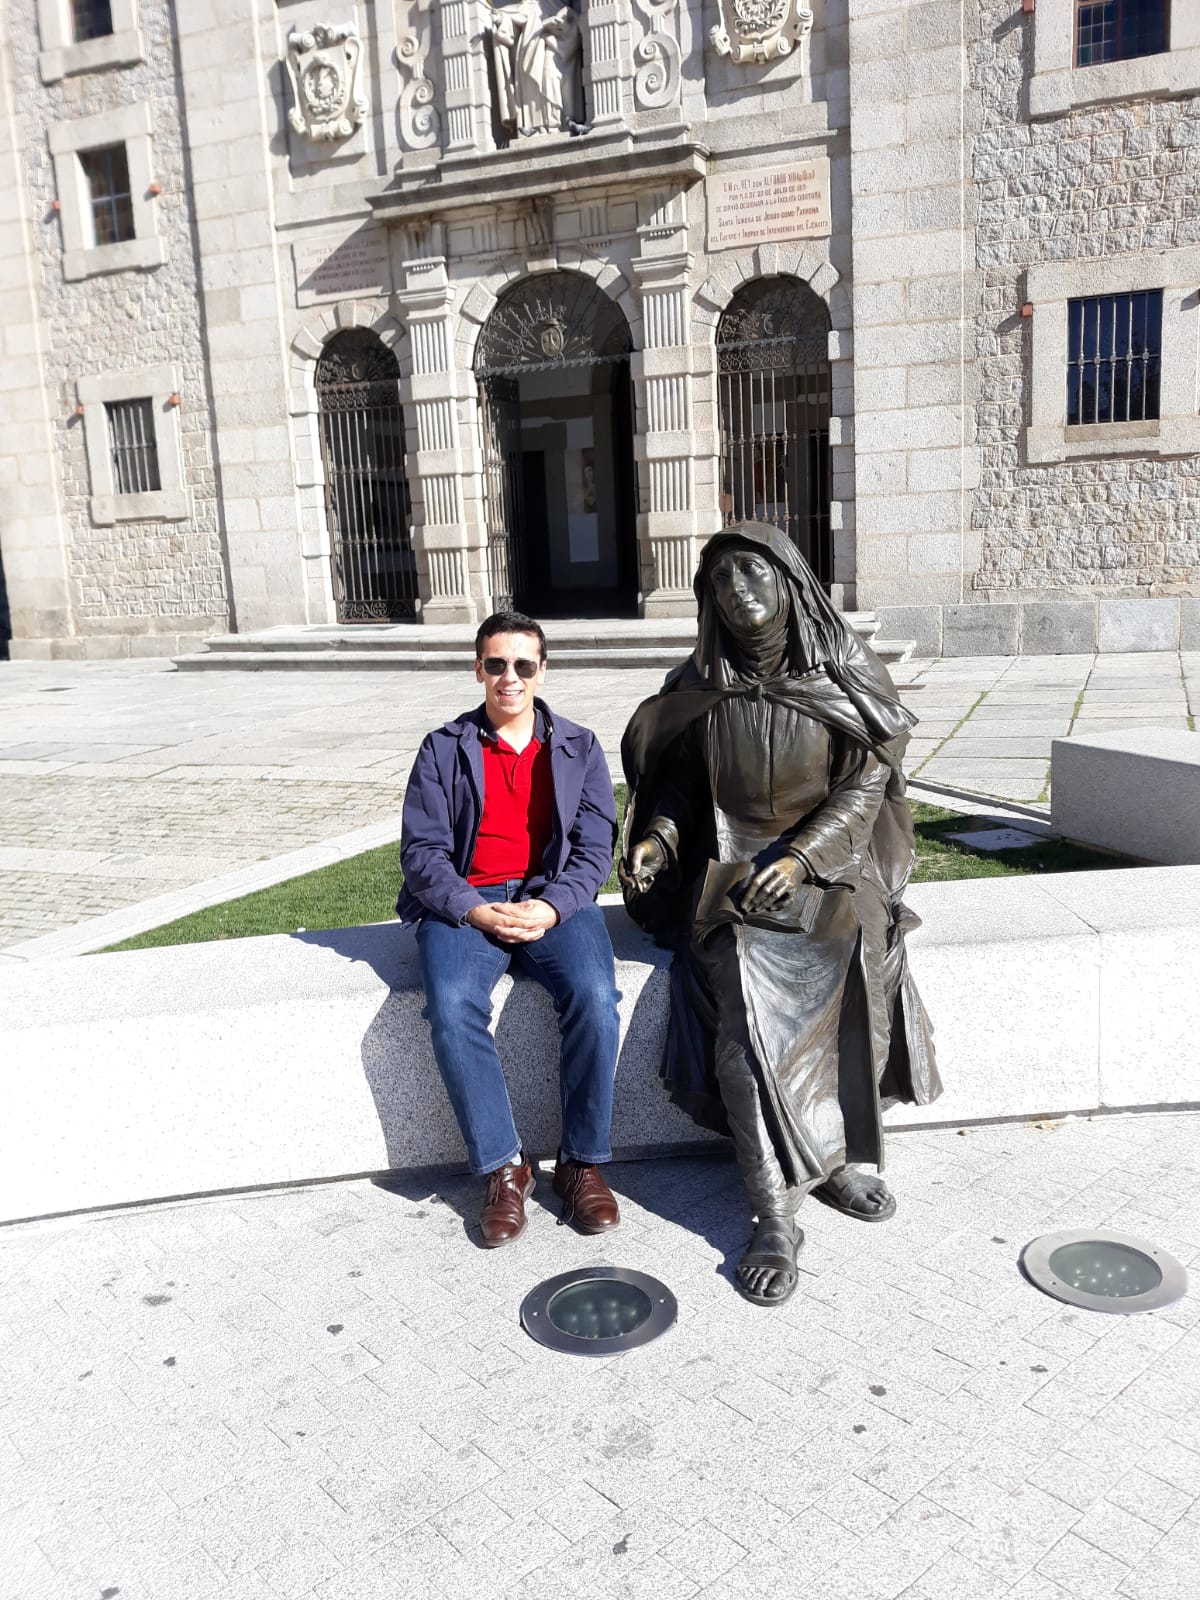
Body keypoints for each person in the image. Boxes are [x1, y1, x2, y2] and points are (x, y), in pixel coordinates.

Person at [620, 523, 941, 1307]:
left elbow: (865, 787)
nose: (738, 591)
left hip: (832, 867)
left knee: (860, 965)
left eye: (752, 572)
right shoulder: (699, 683)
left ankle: (834, 1160)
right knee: (743, 1009)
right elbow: (681, 789)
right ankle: (772, 1215)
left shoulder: (846, 672)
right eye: (721, 580)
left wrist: (799, 859)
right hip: (733, 872)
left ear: (789, 580)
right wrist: (660, 839)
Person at [398, 611, 621, 1247]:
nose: (510, 677)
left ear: (542, 670)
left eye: (523, 664)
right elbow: (422, 852)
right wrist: (470, 908)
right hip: (467, 904)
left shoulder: (578, 746)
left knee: (596, 999)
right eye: (496, 664)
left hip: (550, 900)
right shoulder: (444, 749)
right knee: (451, 1006)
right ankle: (505, 1168)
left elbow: (594, 849)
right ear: (478, 670)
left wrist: (553, 907)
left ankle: (580, 1163)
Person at [488, 1, 583, 137]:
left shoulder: (559, 4)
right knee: (535, 87)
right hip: (531, 50)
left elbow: (574, 20)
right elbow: (516, 13)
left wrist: (561, 23)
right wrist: (501, 18)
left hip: (556, 49)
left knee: (550, 78)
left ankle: (556, 124)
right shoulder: (531, 4)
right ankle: (540, 127)